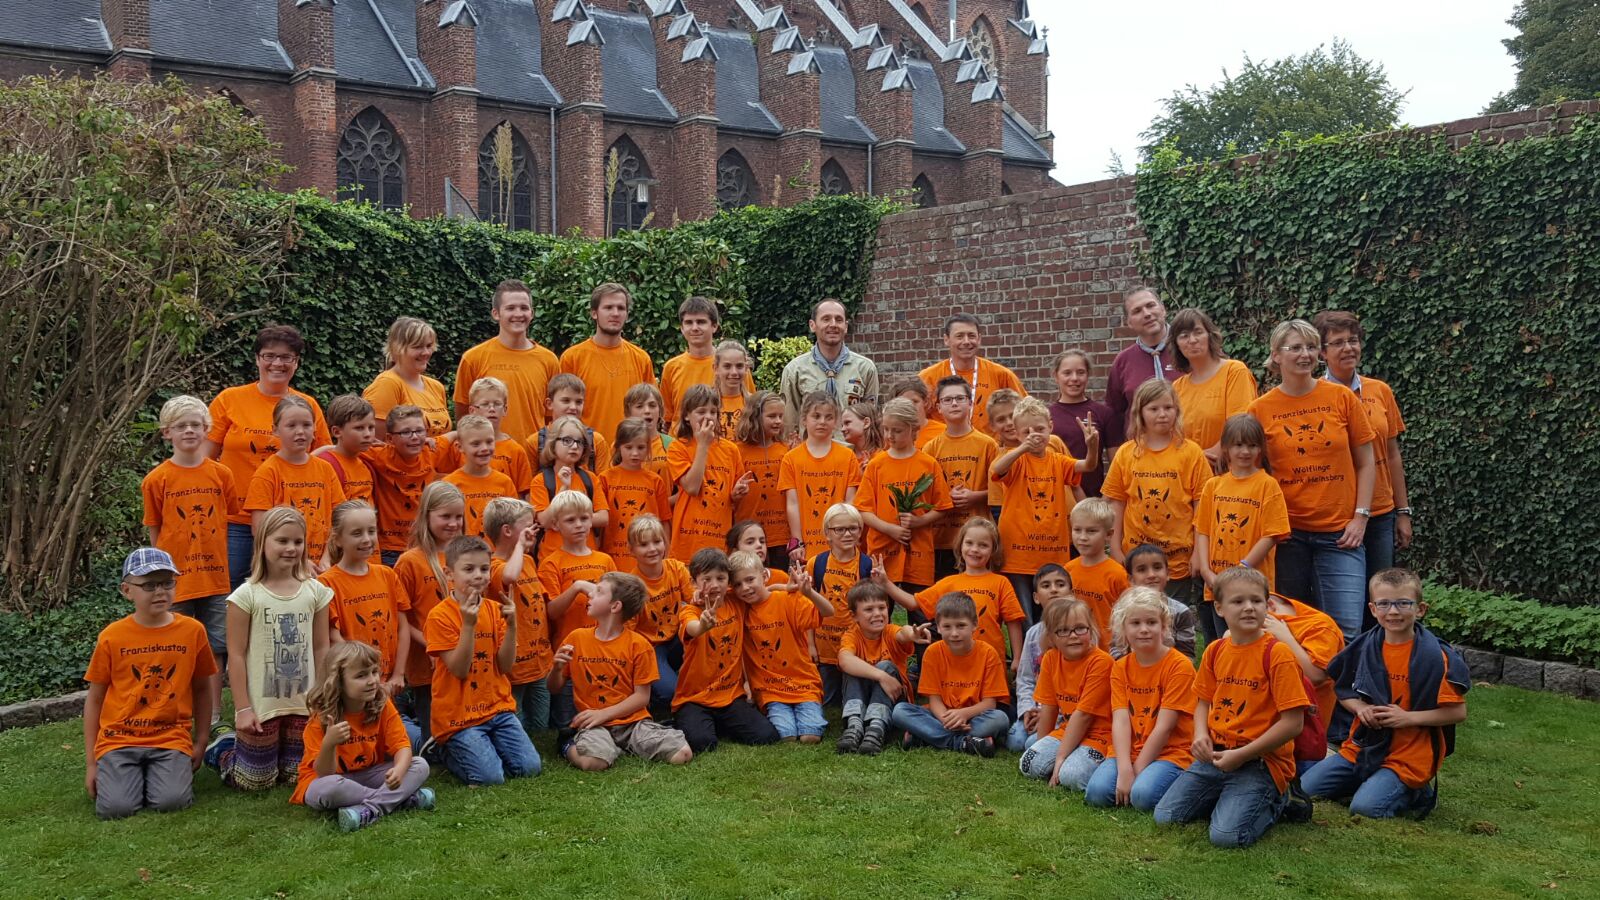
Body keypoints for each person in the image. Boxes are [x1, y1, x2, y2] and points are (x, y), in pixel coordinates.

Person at [1154, 567, 1311, 848]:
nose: (1248, 607)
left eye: (1256, 601)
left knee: (1226, 836)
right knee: (1166, 816)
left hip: (1260, 761)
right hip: (1216, 755)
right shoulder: (1215, 650)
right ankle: (1230, 797)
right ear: (1219, 608)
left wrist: (1241, 755)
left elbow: (1293, 723)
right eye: (1238, 601)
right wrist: (1200, 735)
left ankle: (1278, 800)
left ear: (1268, 606)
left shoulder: (1277, 655)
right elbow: (1202, 701)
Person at [1302, 568, 1469, 819]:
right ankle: (1373, 781)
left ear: (1420, 609)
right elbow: (1343, 691)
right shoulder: (1364, 647)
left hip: (1409, 754)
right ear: (1372, 609)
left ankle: (1416, 792)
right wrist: (1361, 709)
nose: (1393, 611)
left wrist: (1408, 718)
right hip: (1361, 747)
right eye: (1384, 604)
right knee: (1306, 788)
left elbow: (1458, 712)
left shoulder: (1436, 657)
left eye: (1403, 603)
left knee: (1365, 808)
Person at [1248, 319, 1376, 639]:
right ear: (1276, 355)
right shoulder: (1259, 410)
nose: (1305, 355)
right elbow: (1253, 474)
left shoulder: (1341, 397)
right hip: (1288, 537)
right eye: (1295, 348)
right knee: (1290, 630)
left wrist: (1361, 516)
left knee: (1346, 630)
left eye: (1310, 347)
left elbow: (1366, 461)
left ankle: (1342, 677)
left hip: (1340, 535)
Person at [83, 548, 217, 819]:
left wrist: (201, 740)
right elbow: (95, 699)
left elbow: (202, 688)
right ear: (127, 590)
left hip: (169, 738)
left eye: (167, 583)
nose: (160, 592)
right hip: (119, 739)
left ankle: (158, 776)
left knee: (171, 801)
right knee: (116, 808)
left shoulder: (192, 631)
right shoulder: (112, 637)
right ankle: (125, 777)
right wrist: (91, 763)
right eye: (149, 585)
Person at [211, 506, 332, 792]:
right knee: (255, 782)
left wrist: (323, 694)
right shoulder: (246, 596)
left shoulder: (316, 592)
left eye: (298, 541)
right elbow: (236, 655)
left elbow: (321, 646)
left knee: (296, 775)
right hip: (261, 707)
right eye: (282, 540)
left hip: (303, 703)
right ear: (263, 542)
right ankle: (222, 747)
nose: (291, 548)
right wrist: (243, 708)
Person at [207, 325, 331, 588]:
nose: (277, 363)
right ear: (257, 359)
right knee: (232, 591)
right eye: (269, 356)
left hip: (289, 526)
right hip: (235, 521)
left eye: (286, 357)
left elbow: (324, 458)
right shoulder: (230, 400)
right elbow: (205, 461)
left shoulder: (307, 406)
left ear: (296, 362)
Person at [142, 395, 237, 727]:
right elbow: (155, 528)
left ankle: (212, 715)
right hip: (176, 580)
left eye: (196, 425)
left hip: (215, 578)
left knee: (216, 648)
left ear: (206, 429)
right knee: (175, 646)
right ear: (167, 432)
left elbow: (228, 520)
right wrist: (160, 575)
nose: (189, 431)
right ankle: (178, 711)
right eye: (181, 426)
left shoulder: (221, 474)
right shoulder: (157, 479)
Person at [426, 535, 541, 785]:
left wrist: (512, 626)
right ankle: (444, 748)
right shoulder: (439, 616)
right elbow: (459, 670)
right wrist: (468, 625)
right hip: (459, 717)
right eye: (469, 569)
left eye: (484, 569)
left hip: (496, 708)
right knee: (491, 778)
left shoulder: (494, 609)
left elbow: (506, 666)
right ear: (449, 574)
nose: (478, 575)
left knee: (530, 767)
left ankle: (485, 746)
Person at [550, 572, 694, 771]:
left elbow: (642, 697)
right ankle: (567, 744)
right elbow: (554, 688)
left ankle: (620, 745)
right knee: (593, 762)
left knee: (682, 753)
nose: (590, 595)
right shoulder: (576, 638)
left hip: (632, 723)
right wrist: (556, 669)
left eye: (599, 591)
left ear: (615, 606)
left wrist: (604, 714)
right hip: (594, 725)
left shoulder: (639, 645)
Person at [1313, 310, 1412, 589]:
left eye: (1353, 340)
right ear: (1322, 352)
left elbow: (1392, 455)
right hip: (1338, 516)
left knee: (1381, 593)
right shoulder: (1314, 396)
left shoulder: (1380, 391)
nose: (1348, 348)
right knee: (1346, 598)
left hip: (1380, 512)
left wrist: (1403, 511)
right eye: (1338, 342)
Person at [293, 642, 432, 832]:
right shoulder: (323, 717)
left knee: (420, 765)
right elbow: (325, 773)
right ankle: (400, 800)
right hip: (330, 780)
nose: (372, 680)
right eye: (361, 675)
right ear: (338, 682)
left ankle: (371, 810)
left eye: (374, 672)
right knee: (328, 789)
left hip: (370, 773)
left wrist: (399, 771)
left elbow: (402, 747)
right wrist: (329, 744)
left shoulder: (382, 705)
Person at [1085, 587, 1195, 811]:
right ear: (1123, 629)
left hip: (1171, 751)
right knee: (1097, 793)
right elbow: (1121, 720)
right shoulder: (1120, 667)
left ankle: (1182, 781)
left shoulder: (1179, 666)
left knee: (1142, 796)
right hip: (1131, 748)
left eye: (1151, 622)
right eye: (1135, 623)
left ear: (1163, 627)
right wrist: (1125, 768)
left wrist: (1137, 770)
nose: (1144, 629)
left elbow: (1165, 728)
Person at [1102, 379, 1209, 606]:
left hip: (1177, 560)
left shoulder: (1191, 452)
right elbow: (1116, 502)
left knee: (1172, 615)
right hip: (1135, 558)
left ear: (1177, 410)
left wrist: (1199, 552)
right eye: (1154, 409)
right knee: (1139, 614)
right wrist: (1115, 547)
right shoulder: (1127, 453)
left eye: (1168, 407)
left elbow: (1202, 504)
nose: (1162, 414)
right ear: (1140, 413)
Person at [991, 396, 1094, 620]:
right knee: (1024, 615)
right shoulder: (1014, 459)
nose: (1034, 435)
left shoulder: (1058, 460)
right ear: (1017, 434)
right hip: (1018, 554)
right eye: (1026, 432)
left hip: (1053, 550)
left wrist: (1092, 445)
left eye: (1039, 429)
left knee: (1056, 612)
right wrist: (1022, 448)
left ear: (1050, 428)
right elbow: (997, 470)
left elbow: (1088, 465)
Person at [319, 501, 413, 744]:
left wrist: (398, 674)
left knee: (398, 738)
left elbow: (402, 626)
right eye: (357, 533)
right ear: (337, 539)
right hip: (355, 687)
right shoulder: (327, 583)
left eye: (371, 531)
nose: (367, 539)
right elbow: (334, 638)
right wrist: (368, 679)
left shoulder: (387, 575)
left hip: (391, 683)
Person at [1192, 414, 1291, 642]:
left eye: (1252, 445)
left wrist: (1242, 569)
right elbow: (1203, 530)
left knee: (1253, 643)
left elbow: (1272, 535)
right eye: (1238, 445)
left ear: (1260, 449)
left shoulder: (1267, 485)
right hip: (1217, 585)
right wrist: (1206, 572)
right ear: (1226, 447)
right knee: (1223, 643)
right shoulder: (1213, 485)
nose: (1245, 451)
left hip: (1252, 587)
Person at [673, 548, 782, 752]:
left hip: (730, 696)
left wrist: (785, 587)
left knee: (767, 736)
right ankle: (696, 722)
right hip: (695, 698)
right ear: (694, 582)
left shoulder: (736, 601)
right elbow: (692, 628)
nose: (714, 585)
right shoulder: (690, 610)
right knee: (703, 743)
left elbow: (761, 590)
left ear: (728, 581)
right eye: (707, 579)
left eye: (721, 578)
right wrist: (703, 625)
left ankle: (719, 723)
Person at [881, 517, 1026, 672]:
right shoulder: (949, 583)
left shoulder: (1001, 582)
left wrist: (1017, 658)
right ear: (960, 545)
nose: (975, 549)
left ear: (993, 549)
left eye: (983, 545)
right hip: (954, 662)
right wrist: (885, 583)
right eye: (969, 543)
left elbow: (1013, 621)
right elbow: (913, 603)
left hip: (990, 662)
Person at [729, 551, 835, 743]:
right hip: (770, 690)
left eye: (750, 580)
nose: (745, 588)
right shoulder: (740, 608)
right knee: (787, 736)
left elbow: (828, 611)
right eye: (737, 584)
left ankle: (810, 710)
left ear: (764, 576)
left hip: (803, 684)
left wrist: (809, 593)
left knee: (810, 736)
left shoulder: (787, 599)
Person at [890, 592, 1010, 756]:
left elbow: (989, 704)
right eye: (947, 627)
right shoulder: (932, 652)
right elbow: (934, 701)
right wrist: (946, 720)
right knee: (900, 711)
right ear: (938, 627)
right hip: (940, 716)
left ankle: (925, 736)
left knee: (1000, 719)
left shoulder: (988, 654)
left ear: (974, 624)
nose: (954, 633)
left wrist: (963, 714)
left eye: (961, 626)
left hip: (974, 716)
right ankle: (963, 743)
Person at [393, 482, 466, 744]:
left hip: (463, 655)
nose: (453, 523)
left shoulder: (467, 555)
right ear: (427, 515)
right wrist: (434, 645)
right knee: (433, 742)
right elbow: (400, 617)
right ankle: (404, 728)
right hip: (428, 662)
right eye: (445, 516)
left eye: (458, 516)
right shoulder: (410, 561)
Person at [857, 398, 951, 593]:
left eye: (897, 430)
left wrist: (919, 521)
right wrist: (890, 529)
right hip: (882, 552)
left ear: (913, 429)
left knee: (918, 605)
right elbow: (863, 509)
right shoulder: (876, 465)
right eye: (886, 429)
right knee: (879, 605)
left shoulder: (928, 464)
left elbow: (943, 507)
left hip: (918, 554)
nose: (889, 435)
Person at [1018, 598, 1114, 790]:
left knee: (1070, 775)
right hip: (1067, 729)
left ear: (1091, 630)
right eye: (1063, 630)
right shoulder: (1050, 658)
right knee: (1029, 763)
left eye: (1080, 628)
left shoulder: (1102, 662)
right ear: (1051, 637)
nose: (1073, 636)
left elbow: (1084, 716)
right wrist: (1042, 746)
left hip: (1099, 735)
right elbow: (1049, 709)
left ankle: (1092, 765)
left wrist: (1060, 757)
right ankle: (1069, 758)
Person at [245, 396, 347, 572]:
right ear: (275, 430)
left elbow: (340, 518)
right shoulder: (268, 472)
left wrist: (327, 556)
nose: (300, 431)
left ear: (315, 429)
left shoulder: (325, 468)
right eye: (291, 425)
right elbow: (260, 530)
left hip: (323, 568)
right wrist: (300, 561)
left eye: (306, 425)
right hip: (284, 570)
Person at [453, 279, 560, 444]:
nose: (518, 314)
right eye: (510, 308)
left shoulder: (549, 360)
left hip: (533, 454)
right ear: (496, 313)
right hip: (487, 454)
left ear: (532, 313)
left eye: (524, 308)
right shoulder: (473, 358)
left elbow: (552, 416)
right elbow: (463, 415)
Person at [836, 581, 932, 755]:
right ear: (854, 616)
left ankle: (876, 728)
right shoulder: (852, 635)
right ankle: (854, 725)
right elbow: (845, 660)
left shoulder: (889, 631)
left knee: (885, 665)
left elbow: (903, 633)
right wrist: (881, 676)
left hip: (895, 698)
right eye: (869, 609)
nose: (877, 614)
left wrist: (912, 634)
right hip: (866, 698)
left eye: (882, 608)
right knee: (854, 667)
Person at [484, 498, 554, 736]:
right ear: (507, 531)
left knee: (541, 728)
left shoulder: (529, 561)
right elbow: (509, 577)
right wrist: (521, 547)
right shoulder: (492, 565)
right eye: (528, 526)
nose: (534, 530)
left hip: (540, 661)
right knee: (517, 725)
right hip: (513, 669)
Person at [923, 376, 999, 580]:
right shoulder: (931, 448)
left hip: (978, 540)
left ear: (970, 402)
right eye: (947, 400)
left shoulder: (988, 445)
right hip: (943, 538)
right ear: (938, 407)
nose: (954, 403)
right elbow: (925, 493)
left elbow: (1002, 489)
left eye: (960, 398)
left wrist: (976, 496)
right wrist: (945, 498)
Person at [560, 282, 656, 442]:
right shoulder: (573, 358)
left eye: (621, 308)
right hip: (587, 449)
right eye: (608, 307)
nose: (615, 313)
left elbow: (652, 410)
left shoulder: (641, 358)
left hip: (631, 449)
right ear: (594, 313)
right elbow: (562, 413)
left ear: (627, 314)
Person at [668, 385, 752, 562]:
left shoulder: (731, 450)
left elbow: (732, 497)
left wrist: (737, 493)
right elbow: (692, 487)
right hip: (688, 541)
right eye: (701, 412)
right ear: (686, 416)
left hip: (720, 539)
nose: (708, 417)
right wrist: (703, 445)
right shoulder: (678, 447)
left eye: (713, 412)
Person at [1170, 309, 1259, 471]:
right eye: (1184, 336)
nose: (1192, 340)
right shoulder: (1177, 387)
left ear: (1210, 336)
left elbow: (1240, 425)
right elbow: (1173, 437)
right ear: (1176, 344)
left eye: (1198, 332)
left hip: (1227, 473)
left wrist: (1206, 457)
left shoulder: (1234, 372)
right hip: (1188, 473)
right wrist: (1194, 459)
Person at [622, 515, 692, 715]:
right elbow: (628, 635)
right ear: (631, 550)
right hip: (651, 648)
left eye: (657, 541)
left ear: (665, 542)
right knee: (671, 693)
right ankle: (651, 693)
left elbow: (694, 603)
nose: (652, 549)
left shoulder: (677, 569)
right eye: (643, 544)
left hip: (678, 638)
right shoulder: (631, 585)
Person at [779, 298, 880, 437]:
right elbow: (789, 422)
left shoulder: (865, 368)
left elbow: (870, 421)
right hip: (810, 449)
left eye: (839, 320)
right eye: (826, 319)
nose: (833, 324)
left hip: (850, 448)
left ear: (845, 326)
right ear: (812, 325)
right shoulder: (794, 370)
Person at [779, 391, 860, 560]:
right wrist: (797, 540)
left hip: (839, 546)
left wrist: (845, 536)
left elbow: (850, 501)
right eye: (816, 416)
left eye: (829, 417)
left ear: (836, 422)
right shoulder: (791, 459)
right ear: (804, 419)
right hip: (807, 546)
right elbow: (792, 503)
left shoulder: (847, 456)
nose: (822, 422)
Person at [919, 313, 1026, 436]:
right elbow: (913, 417)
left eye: (971, 336)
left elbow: (1027, 411)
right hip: (943, 446)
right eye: (959, 336)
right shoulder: (927, 378)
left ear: (979, 339)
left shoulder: (1001, 375)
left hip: (992, 447)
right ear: (946, 339)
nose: (966, 341)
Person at [1007, 564, 1076, 752]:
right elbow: (1025, 679)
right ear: (1036, 598)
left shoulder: (1080, 634)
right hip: (1036, 707)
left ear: (1071, 593)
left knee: (1031, 744)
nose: (1053, 590)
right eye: (1046, 586)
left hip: (1063, 712)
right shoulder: (1032, 634)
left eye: (1060, 584)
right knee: (1015, 742)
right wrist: (1027, 711)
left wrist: (1049, 714)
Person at [809, 503, 872, 706]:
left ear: (860, 531)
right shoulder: (816, 564)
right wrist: (810, 645)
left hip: (854, 648)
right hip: (824, 647)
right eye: (839, 529)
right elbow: (807, 608)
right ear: (827, 533)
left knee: (854, 697)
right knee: (827, 700)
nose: (847, 534)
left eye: (853, 528)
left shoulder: (867, 565)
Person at [660, 296, 752, 429]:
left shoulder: (734, 367)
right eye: (689, 322)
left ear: (714, 326)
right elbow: (667, 419)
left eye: (701, 322)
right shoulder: (672, 367)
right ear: (682, 328)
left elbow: (751, 409)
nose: (695, 328)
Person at [435, 377, 536, 497]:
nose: (492, 409)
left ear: (505, 409)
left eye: (497, 404)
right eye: (485, 404)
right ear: (472, 410)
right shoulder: (459, 446)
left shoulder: (516, 450)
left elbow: (525, 493)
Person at [365, 405, 440, 566]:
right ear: (390, 438)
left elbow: (458, 433)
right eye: (406, 432)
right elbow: (342, 448)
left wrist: (428, 439)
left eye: (419, 431)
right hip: (390, 549)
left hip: (424, 544)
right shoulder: (380, 455)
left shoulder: (430, 451)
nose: (414, 437)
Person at [530, 414, 611, 557]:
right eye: (567, 440)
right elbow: (545, 521)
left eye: (579, 442)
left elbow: (603, 518)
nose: (574, 446)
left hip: (587, 557)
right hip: (552, 557)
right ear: (553, 443)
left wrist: (568, 519)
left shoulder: (590, 479)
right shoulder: (541, 480)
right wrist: (563, 489)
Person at [1106, 287, 1180, 440]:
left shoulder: (1187, 349)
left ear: (1163, 309)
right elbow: (1115, 416)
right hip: (1141, 449)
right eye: (1137, 311)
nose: (1147, 314)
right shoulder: (1123, 362)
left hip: (1190, 447)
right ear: (1129, 322)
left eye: (1150, 305)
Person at [599, 418, 672, 568]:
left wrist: (666, 554)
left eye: (640, 447)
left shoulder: (655, 481)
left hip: (647, 561)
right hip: (614, 559)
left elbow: (664, 521)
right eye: (628, 447)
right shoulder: (605, 479)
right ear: (618, 447)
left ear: (648, 448)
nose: (635, 453)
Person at [732, 390, 792, 571]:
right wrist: (735, 492)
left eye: (781, 416)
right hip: (748, 536)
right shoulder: (737, 450)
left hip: (780, 534)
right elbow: (730, 494)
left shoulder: (786, 450)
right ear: (755, 417)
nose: (778, 421)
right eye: (772, 416)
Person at [364, 316, 451, 438]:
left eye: (429, 345)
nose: (426, 352)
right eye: (417, 347)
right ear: (397, 349)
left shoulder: (436, 387)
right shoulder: (387, 384)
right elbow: (377, 442)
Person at [1050, 349, 1117, 498]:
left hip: (1093, 498)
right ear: (1056, 376)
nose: (1074, 378)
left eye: (1080, 372)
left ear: (1088, 375)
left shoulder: (1104, 413)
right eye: (1067, 373)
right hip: (1055, 498)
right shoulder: (1046, 416)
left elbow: (1116, 465)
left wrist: (1107, 499)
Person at [1063, 498, 1129, 649]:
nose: (1083, 537)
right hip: (1075, 646)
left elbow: (1127, 614)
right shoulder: (1068, 570)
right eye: (1077, 530)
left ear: (1108, 534)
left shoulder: (1117, 574)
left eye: (1091, 531)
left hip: (1109, 650)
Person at [441, 415, 518, 540]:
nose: (484, 448)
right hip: (461, 550)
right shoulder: (449, 484)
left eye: (489, 442)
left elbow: (514, 522)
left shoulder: (505, 482)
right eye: (476, 444)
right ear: (459, 447)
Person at [1121, 544, 1199, 660]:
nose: (1151, 575)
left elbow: (1187, 656)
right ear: (1131, 579)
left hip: (1171, 669)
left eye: (1157, 567)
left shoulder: (1181, 612)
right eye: (1142, 570)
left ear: (1167, 574)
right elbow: (1118, 650)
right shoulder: (1123, 611)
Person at [529, 373, 613, 474]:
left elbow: (604, 481)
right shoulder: (535, 442)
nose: (573, 407)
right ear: (549, 404)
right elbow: (530, 482)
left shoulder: (596, 441)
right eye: (566, 401)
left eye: (579, 402)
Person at [315, 395, 379, 514]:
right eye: (359, 428)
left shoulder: (367, 462)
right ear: (337, 432)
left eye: (371, 427)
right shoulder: (326, 464)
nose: (367, 434)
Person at [623, 384, 674, 486]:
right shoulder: (620, 445)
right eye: (639, 406)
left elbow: (684, 489)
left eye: (652, 405)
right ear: (628, 412)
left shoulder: (672, 445)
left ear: (660, 410)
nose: (647, 411)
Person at [713, 340, 753, 436]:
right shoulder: (705, 402)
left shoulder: (755, 404)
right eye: (727, 366)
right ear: (716, 368)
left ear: (746, 368)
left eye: (739, 366)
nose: (734, 372)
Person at [892, 379, 944, 448]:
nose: (909, 406)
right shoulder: (890, 434)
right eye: (903, 403)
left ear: (925, 401)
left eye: (914, 401)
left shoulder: (942, 432)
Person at [840, 399, 883, 472]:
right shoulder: (844, 457)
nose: (842, 429)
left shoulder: (882, 457)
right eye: (842, 425)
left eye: (847, 423)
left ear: (866, 423)